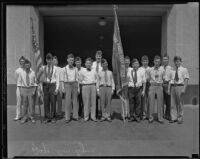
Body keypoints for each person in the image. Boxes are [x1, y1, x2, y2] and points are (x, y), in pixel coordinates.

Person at [168, 56, 189, 124]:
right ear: (174, 62)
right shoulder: (172, 70)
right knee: (172, 103)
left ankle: (180, 118)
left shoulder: (184, 69)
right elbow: (170, 80)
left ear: (180, 61)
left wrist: (184, 88)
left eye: (178, 61)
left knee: (180, 103)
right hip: (173, 87)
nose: (177, 62)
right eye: (175, 61)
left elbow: (186, 79)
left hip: (180, 87)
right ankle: (173, 118)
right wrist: (169, 89)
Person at [40, 53, 59, 124]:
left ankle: (53, 117)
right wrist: (41, 88)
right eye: (48, 60)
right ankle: (47, 117)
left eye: (50, 60)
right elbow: (40, 78)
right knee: (46, 102)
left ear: (52, 60)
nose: (49, 61)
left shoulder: (55, 68)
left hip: (52, 85)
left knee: (53, 102)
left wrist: (57, 88)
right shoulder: (43, 68)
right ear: (46, 60)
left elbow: (57, 79)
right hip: (45, 85)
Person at [61, 54, 79, 123]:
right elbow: (62, 79)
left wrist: (78, 89)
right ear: (67, 60)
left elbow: (77, 79)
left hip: (74, 84)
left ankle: (75, 116)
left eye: (72, 60)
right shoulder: (64, 69)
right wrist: (63, 87)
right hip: (67, 84)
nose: (71, 61)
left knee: (75, 101)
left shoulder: (76, 69)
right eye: (70, 60)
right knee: (67, 101)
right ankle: (67, 117)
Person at [147, 55, 165, 124]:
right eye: (156, 61)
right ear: (153, 61)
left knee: (160, 102)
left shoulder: (162, 69)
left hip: (159, 86)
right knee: (151, 102)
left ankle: (160, 118)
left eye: (158, 61)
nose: (157, 63)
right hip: (152, 86)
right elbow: (148, 78)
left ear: (160, 62)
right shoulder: (150, 69)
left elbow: (164, 78)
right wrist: (152, 83)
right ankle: (151, 117)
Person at [79, 57, 98, 122]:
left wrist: (96, 88)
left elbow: (97, 79)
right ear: (85, 64)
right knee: (86, 102)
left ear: (91, 64)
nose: (88, 64)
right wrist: (85, 84)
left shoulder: (94, 70)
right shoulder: (82, 71)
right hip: (85, 87)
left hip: (93, 86)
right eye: (87, 63)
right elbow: (80, 80)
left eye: (89, 63)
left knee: (93, 102)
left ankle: (93, 117)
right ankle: (86, 117)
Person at [127, 58, 146, 122]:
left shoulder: (142, 71)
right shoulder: (129, 71)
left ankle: (137, 116)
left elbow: (144, 81)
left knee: (138, 103)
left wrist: (143, 90)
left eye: (137, 63)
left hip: (138, 89)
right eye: (134, 64)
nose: (135, 65)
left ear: (138, 64)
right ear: (132, 65)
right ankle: (132, 116)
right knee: (131, 103)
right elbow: (127, 81)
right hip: (131, 89)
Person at [19, 59, 37, 124]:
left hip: (31, 89)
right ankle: (24, 118)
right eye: (26, 64)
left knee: (31, 104)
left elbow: (35, 82)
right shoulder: (21, 72)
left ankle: (32, 117)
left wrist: (34, 90)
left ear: (30, 65)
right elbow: (20, 82)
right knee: (24, 104)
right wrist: (21, 91)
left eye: (28, 64)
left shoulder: (33, 72)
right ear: (24, 65)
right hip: (24, 89)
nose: (27, 66)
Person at [14, 56, 26, 121]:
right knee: (18, 102)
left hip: (25, 88)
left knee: (25, 103)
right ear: (19, 62)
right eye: (21, 61)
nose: (22, 62)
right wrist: (19, 85)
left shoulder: (27, 69)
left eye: (23, 61)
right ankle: (18, 116)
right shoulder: (17, 70)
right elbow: (16, 79)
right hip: (19, 87)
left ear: (25, 62)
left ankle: (25, 116)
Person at [92, 50, 103, 119]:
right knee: (94, 99)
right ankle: (95, 113)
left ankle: (102, 113)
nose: (98, 57)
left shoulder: (103, 63)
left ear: (101, 57)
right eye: (97, 56)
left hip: (101, 83)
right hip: (94, 83)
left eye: (99, 56)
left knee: (102, 99)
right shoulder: (92, 64)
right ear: (95, 56)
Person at [161, 55, 173, 121]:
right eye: (164, 59)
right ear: (162, 60)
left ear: (168, 60)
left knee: (168, 102)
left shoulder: (171, 68)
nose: (165, 60)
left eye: (166, 59)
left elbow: (171, 79)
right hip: (161, 85)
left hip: (167, 85)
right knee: (161, 101)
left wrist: (169, 88)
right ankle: (161, 114)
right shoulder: (161, 67)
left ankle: (167, 114)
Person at [140, 55, 151, 120]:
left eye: (146, 61)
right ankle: (143, 114)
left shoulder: (150, 69)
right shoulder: (140, 69)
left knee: (149, 100)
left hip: (149, 84)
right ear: (141, 62)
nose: (145, 62)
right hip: (142, 85)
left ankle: (148, 114)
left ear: (148, 61)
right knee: (143, 100)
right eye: (144, 61)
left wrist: (148, 79)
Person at [123, 56, 131, 120]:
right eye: (125, 62)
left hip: (130, 87)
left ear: (129, 62)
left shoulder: (131, 69)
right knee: (124, 100)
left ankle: (129, 113)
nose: (126, 63)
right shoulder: (122, 70)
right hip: (124, 87)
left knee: (130, 100)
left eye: (127, 61)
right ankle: (125, 113)